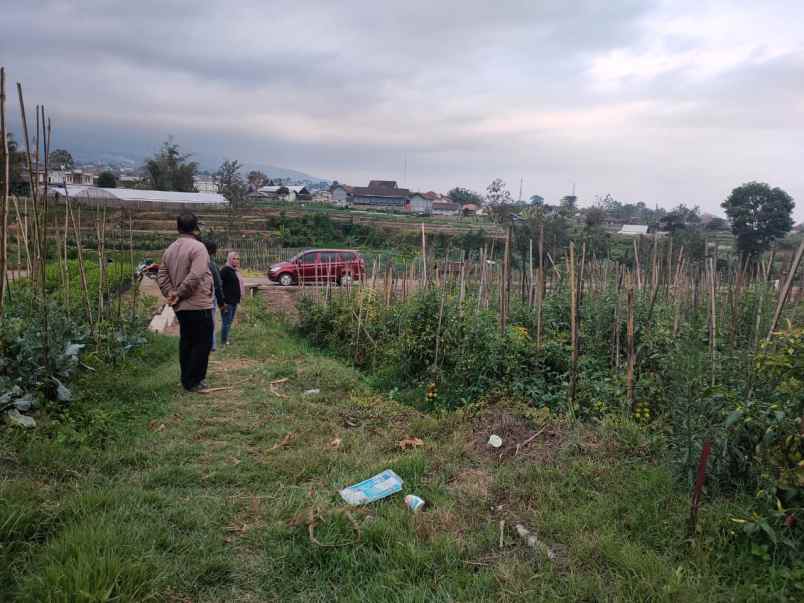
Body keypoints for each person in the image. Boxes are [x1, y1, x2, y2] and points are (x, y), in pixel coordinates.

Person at [157, 213, 214, 392]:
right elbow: (196, 275)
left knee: (187, 341)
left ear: (178, 227)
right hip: (197, 303)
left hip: (181, 307)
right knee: (202, 342)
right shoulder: (199, 248)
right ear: (195, 227)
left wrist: (171, 293)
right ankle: (195, 381)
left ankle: (186, 379)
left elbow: (162, 275)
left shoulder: (170, 249)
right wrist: (179, 294)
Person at [204, 240, 225, 352]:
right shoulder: (211, 264)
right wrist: (221, 302)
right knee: (210, 321)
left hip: (196, 298)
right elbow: (218, 284)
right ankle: (211, 345)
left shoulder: (195, 262)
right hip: (209, 298)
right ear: (213, 252)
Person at [219, 251, 244, 346]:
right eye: (234, 258)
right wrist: (222, 300)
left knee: (229, 322)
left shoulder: (235, 271)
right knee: (226, 322)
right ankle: (223, 342)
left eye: (238, 259)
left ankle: (226, 339)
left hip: (234, 301)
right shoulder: (225, 270)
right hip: (227, 302)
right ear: (229, 259)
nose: (236, 260)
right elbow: (219, 285)